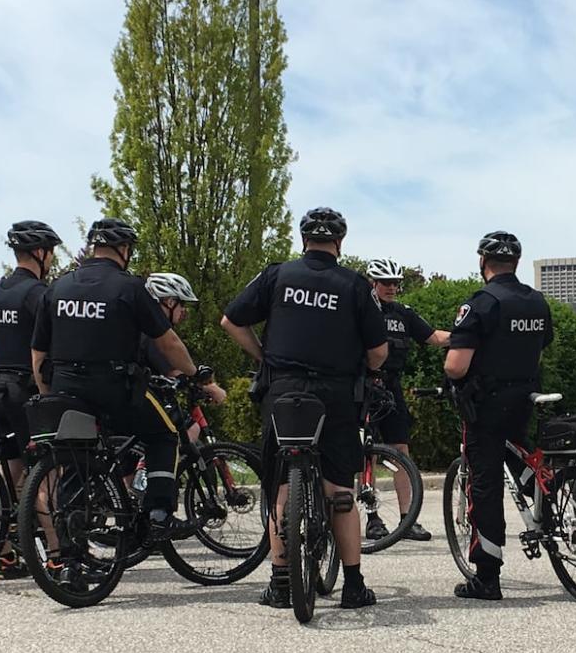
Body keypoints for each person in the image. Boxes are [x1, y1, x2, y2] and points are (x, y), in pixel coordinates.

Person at [221, 207, 388, 610]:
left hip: (284, 389)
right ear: (340, 243)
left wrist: (264, 359)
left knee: (280, 487)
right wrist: (367, 368)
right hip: (335, 394)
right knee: (339, 489)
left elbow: (231, 321)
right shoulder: (354, 286)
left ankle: (281, 583)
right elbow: (379, 351)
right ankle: (352, 585)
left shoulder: (276, 275)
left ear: (303, 239)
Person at [30, 218, 199, 545]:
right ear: (124, 250)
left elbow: (38, 353)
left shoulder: (58, 288)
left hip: (65, 390)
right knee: (165, 433)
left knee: (75, 459)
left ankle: (70, 555)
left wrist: (49, 396)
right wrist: (194, 374)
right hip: (114, 389)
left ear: (94, 247)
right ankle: (159, 514)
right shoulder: (130, 287)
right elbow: (168, 344)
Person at [443, 231, 553, 601]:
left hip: (486, 405)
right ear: (517, 264)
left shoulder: (482, 303)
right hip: (525, 397)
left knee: (484, 484)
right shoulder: (537, 302)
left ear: (482, 263)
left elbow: (457, 366)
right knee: (524, 457)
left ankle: (486, 575)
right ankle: (549, 512)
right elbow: (538, 352)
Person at [0, 220, 56, 579]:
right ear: (40, 253)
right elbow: (48, 343)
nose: (53, 259)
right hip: (25, 390)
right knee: (46, 469)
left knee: (8, 469)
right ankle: (59, 554)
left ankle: (6, 557)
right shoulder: (37, 293)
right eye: (51, 253)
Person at [365, 258, 449, 543]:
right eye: (385, 282)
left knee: (400, 450)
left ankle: (407, 519)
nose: (391, 287)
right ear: (373, 284)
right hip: (364, 385)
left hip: (392, 387)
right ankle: (372, 517)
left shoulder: (403, 313)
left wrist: (471, 336)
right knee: (367, 453)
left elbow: (434, 337)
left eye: (395, 283)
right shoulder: (362, 311)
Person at [140, 273, 227, 443]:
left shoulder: (143, 325)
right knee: (190, 429)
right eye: (182, 304)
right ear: (170, 302)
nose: (184, 311)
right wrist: (209, 387)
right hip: (140, 398)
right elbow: (173, 370)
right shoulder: (153, 332)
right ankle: (154, 468)